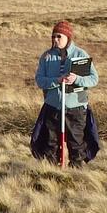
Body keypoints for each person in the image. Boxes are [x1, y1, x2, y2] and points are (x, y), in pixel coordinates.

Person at [30, 19, 99, 165]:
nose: (55, 39)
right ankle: (52, 177)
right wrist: (57, 80)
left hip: (77, 108)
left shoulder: (81, 54)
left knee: (77, 146)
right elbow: (40, 80)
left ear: (68, 37)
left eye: (59, 36)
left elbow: (93, 79)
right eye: (53, 36)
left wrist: (77, 79)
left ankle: (77, 178)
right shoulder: (46, 56)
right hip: (53, 107)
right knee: (51, 145)